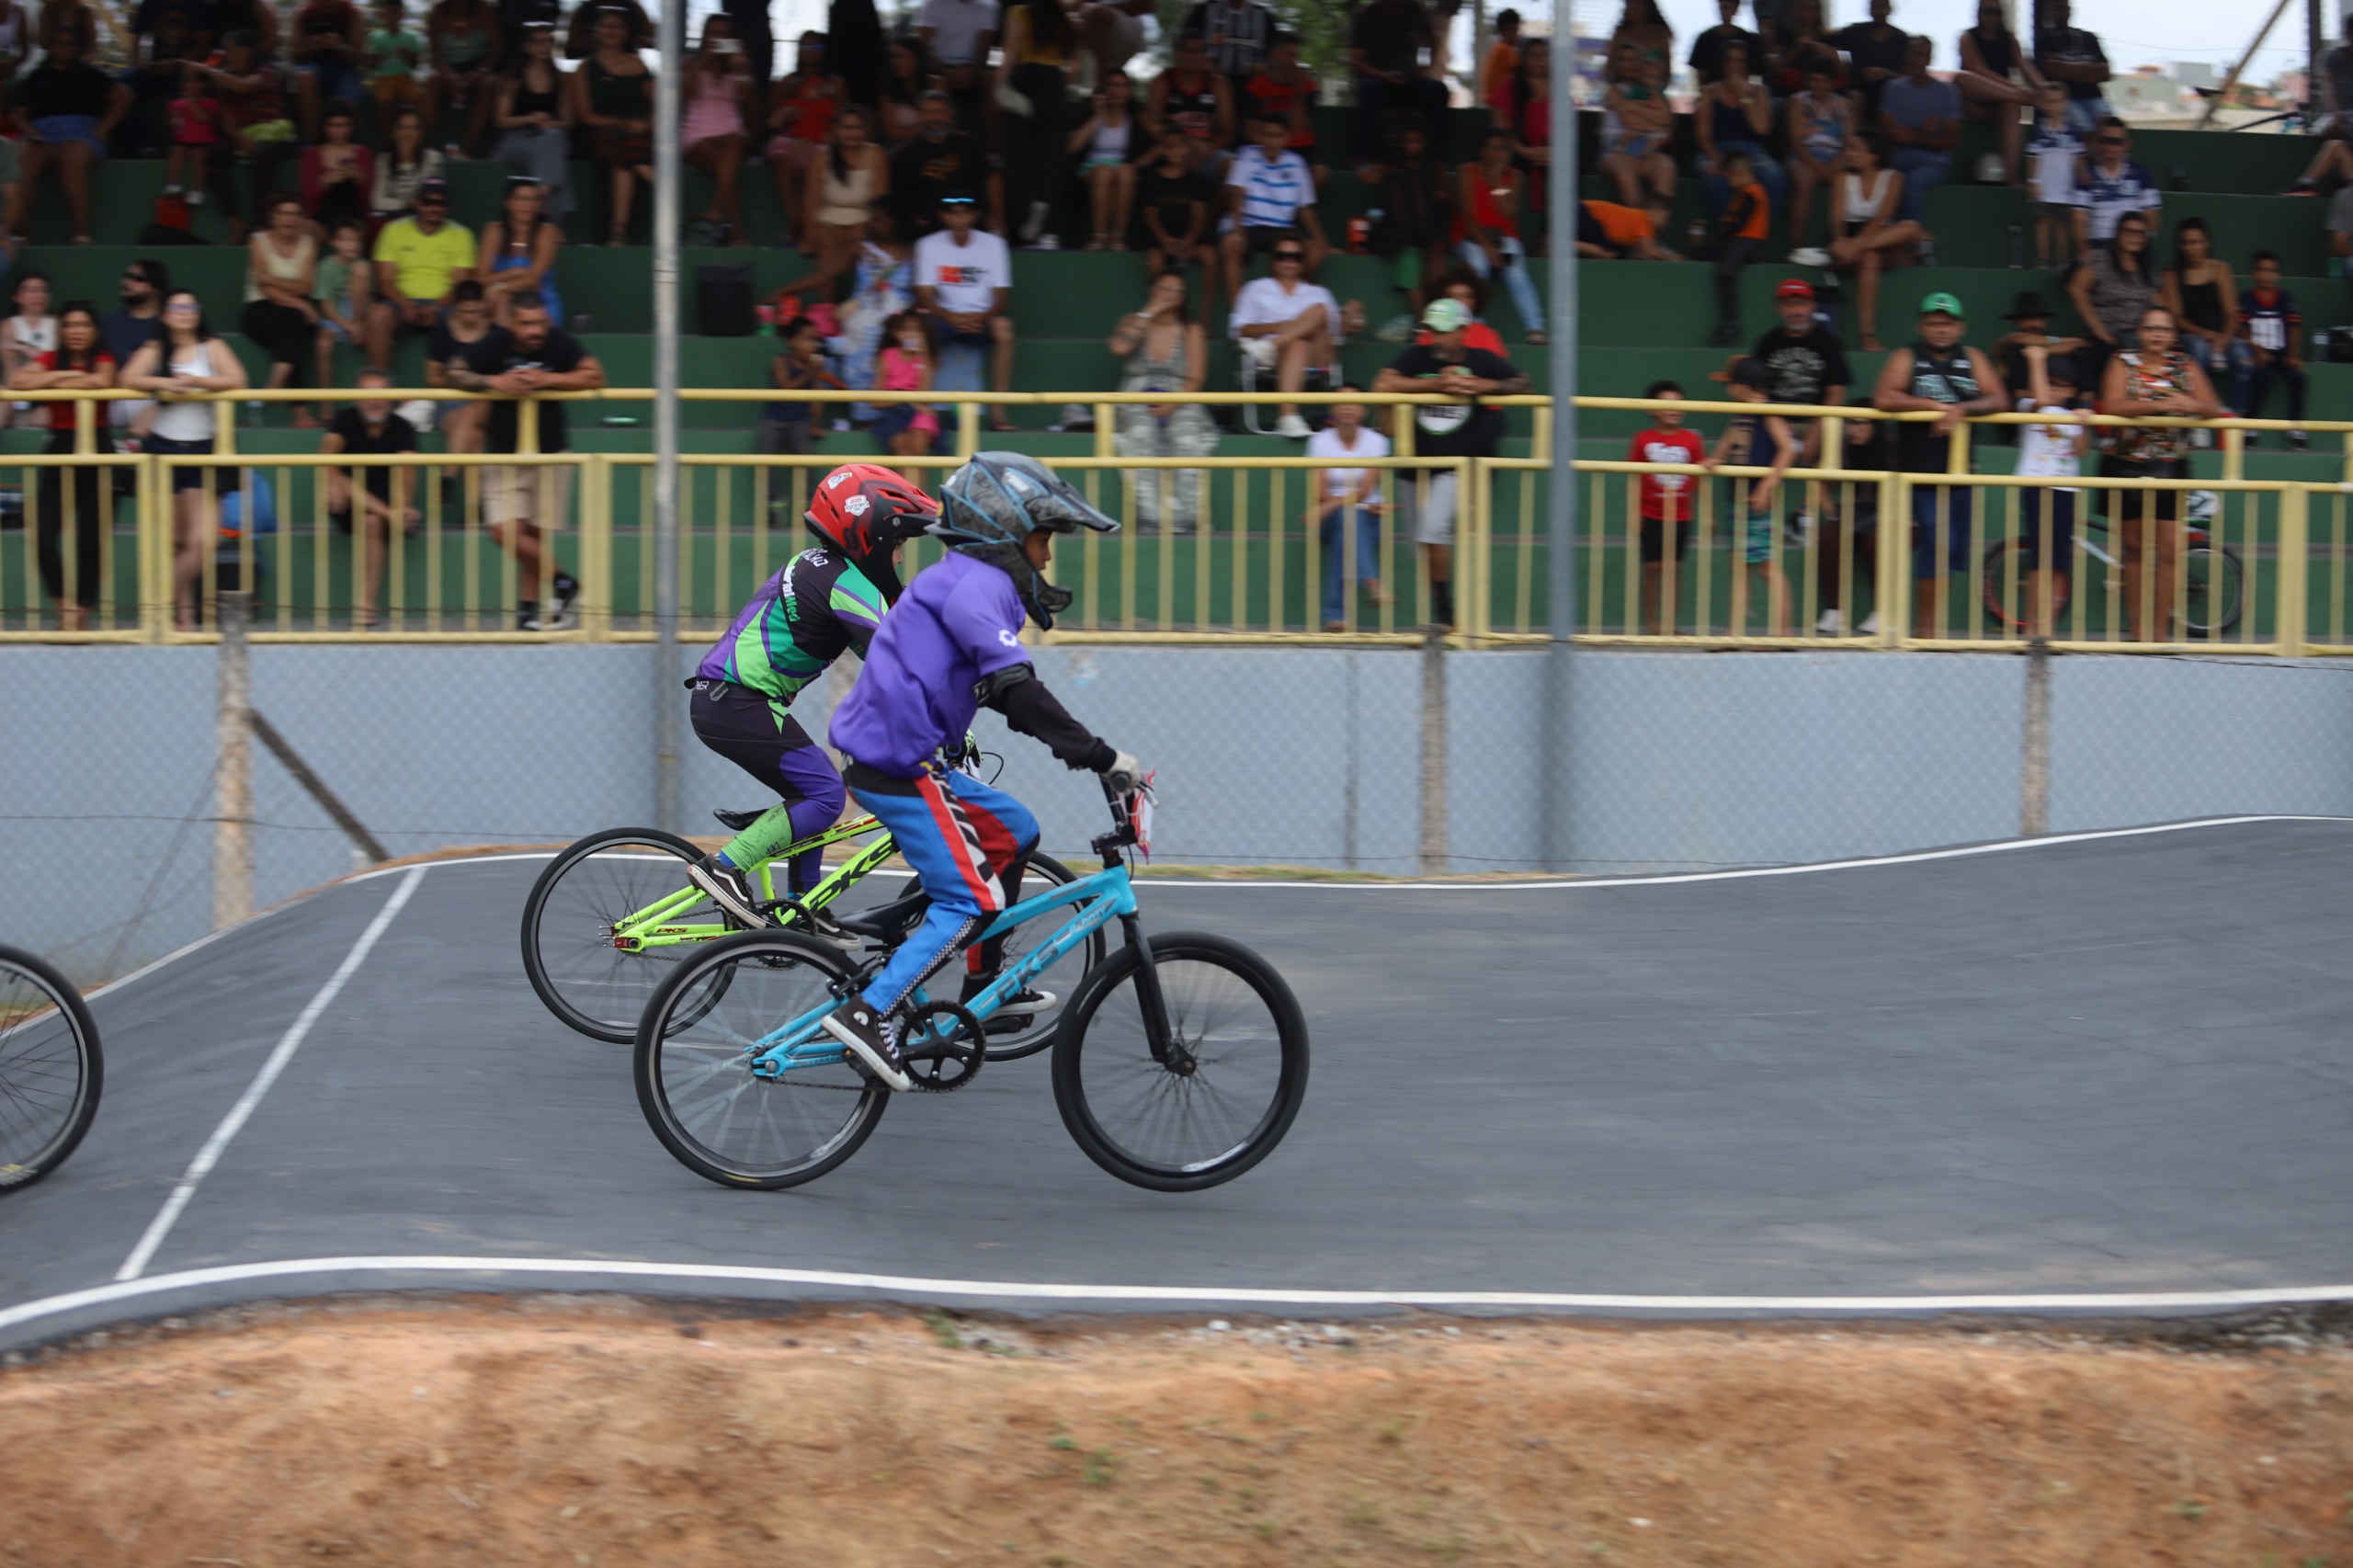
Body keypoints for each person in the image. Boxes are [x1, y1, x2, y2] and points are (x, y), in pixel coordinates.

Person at [819, 451, 1139, 1087]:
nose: (1047, 557)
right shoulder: (974, 585)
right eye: (1043, 537)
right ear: (1003, 530)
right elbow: (1017, 691)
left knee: (1013, 829)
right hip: (897, 765)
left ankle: (985, 984)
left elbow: (1001, 693)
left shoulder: (968, 583)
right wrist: (1101, 756)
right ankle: (869, 1012)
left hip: (902, 757)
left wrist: (1079, 749)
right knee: (974, 898)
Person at [686, 464, 943, 939]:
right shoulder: (845, 583)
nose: (902, 559)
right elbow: (900, 660)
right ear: (874, 537)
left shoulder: (820, 566)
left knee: (815, 790)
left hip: (727, 700)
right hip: (739, 702)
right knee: (826, 794)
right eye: (900, 545)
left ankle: (802, 909)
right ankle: (723, 868)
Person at [445, 291, 604, 630]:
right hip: (504, 452)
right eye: (527, 324)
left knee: (534, 534)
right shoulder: (494, 344)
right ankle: (565, 584)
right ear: (511, 323)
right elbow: (453, 372)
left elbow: (594, 376)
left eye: (541, 323)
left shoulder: (558, 343)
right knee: (503, 531)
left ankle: (526, 615)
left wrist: (549, 379)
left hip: (550, 451)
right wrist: (494, 382)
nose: (536, 331)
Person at [1371, 296, 1529, 629]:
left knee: (1433, 531)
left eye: (1444, 332)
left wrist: (1480, 386)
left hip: (1461, 464)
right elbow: (1383, 383)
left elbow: (1523, 383)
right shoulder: (1417, 355)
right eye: (1432, 331)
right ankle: (1442, 610)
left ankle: (1445, 613)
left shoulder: (1483, 358)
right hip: (1416, 465)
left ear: (1463, 331)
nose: (1437, 339)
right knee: (1422, 544)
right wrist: (1436, 384)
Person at [1870, 291, 2006, 640]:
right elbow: (1884, 397)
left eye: (1947, 323)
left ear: (1960, 328)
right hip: (1920, 470)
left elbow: (1998, 398)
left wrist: (1961, 409)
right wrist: (1930, 405)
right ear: (1921, 326)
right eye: (1933, 323)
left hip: (1960, 471)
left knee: (1954, 552)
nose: (1941, 330)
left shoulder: (1971, 356)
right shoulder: (1907, 356)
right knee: (1938, 540)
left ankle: (1932, 627)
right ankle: (1926, 633)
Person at [121, 289, 248, 631]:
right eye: (176, 306)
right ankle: (185, 618)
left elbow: (237, 379)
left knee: (203, 540)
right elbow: (128, 378)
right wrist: (165, 384)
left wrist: (197, 383)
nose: (184, 311)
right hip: (164, 451)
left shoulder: (212, 346)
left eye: (191, 306)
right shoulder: (155, 348)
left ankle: (157, 601)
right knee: (177, 541)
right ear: (164, 314)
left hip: (205, 450)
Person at [2098, 305, 2225, 641]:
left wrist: (2191, 405)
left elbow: (2212, 407)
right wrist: (2163, 404)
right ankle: (2138, 632)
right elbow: (2111, 405)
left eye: (2165, 329)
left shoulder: (2185, 365)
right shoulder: (2122, 362)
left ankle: (2159, 633)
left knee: (2169, 550)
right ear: (2140, 332)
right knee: (2135, 550)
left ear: (2173, 335)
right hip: (2127, 466)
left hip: (2171, 466)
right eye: (2151, 328)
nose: (2157, 334)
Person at [12, 300, 114, 631]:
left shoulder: (104, 356)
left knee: (91, 540)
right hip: (60, 446)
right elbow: (19, 382)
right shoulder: (51, 357)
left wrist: (51, 380)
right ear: (61, 330)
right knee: (42, 535)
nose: (76, 332)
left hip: (98, 446)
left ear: (95, 330)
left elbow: (101, 382)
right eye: (69, 325)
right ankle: (62, 608)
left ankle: (81, 615)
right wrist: (68, 374)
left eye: (83, 325)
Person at [1108, 268, 1214, 535]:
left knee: (1187, 439)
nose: (1169, 294)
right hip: (1136, 395)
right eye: (1162, 288)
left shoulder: (1191, 329)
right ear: (1152, 291)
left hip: (1181, 397)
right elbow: (1119, 348)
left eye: (1176, 290)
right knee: (1141, 435)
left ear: (1184, 297)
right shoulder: (1132, 320)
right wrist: (1149, 311)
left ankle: (1188, 519)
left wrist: (1173, 404)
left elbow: (1197, 378)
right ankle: (1149, 519)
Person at [322, 368, 420, 627]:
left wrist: (404, 505)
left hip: (390, 501)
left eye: (381, 394)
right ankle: (392, 516)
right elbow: (327, 454)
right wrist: (331, 480)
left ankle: (366, 603)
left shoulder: (402, 426)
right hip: (346, 501)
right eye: (367, 394)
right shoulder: (345, 419)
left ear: (391, 399)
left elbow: (408, 470)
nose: (374, 401)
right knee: (341, 478)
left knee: (373, 521)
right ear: (356, 398)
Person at [10, 30, 127, 244]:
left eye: (69, 44)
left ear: (77, 48)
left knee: (72, 162)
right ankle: (21, 235)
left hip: (81, 133)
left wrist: (102, 130)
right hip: (42, 133)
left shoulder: (89, 74)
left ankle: (80, 234)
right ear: (51, 46)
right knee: (22, 164)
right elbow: (19, 112)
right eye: (59, 43)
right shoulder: (37, 76)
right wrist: (30, 132)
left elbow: (123, 96)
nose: (64, 48)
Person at [1710, 358, 1799, 636]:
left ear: (1744, 387)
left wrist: (1766, 486)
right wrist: (1715, 459)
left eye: (1730, 384)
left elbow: (1788, 448)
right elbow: (1728, 440)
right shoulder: (1741, 412)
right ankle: (1733, 633)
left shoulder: (1767, 411)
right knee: (1740, 567)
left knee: (1767, 568)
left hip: (1757, 501)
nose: (1727, 390)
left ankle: (1783, 634)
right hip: (1737, 499)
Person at [913, 193, 1017, 429]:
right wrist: (951, 317)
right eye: (953, 213)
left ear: (974, 215)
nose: (959, 219)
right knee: (921, 329)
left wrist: (978, 317)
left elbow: (1002, 298)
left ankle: (998, 412)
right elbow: (924, 296)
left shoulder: (993, 244)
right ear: (943, 216)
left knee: (1005, 330)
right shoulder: (928, 244)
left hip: (981, 318)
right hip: (944, 316)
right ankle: (924, 408)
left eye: (965, 213)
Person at [2011, 344, 2088, 637]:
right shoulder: (2028, 406)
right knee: (2041, 560)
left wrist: (2083, 424)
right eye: (2050, 382)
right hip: (2037, 486)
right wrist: (2036, 359)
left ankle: (2048, 626)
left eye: (2061, 385)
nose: (2054, 390)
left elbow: (2081, 451)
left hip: (2065, 489)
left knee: (2058, 562)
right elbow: (2041, 399)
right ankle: (2032, 627)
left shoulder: (2071, 416)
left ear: (2071, 389)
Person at [1230, 233, 1339, 439]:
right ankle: (1288, 416)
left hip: (1318, 354)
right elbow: (1240, 329)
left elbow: (1335, 332)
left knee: (1319, 311)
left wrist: (1352, 317)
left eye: (1296, 256)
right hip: (1278, 358)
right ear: (1273, 260)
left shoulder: (1318, 292)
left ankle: (1269, 345)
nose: (1289, 261)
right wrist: (1280, 326)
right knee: (1298, 344)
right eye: (1283, 256)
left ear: (1302, 262)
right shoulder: (1255, 288)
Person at [198, 28, 301, 246]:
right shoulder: (224, 78)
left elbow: (245, 86)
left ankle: (260, 224)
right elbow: (226, 116)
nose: (229, 54)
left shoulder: (266, 71)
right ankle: (234, 222)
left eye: (234, 50)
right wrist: (236, 137)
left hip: (277, 137)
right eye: (226, 50)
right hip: (242, 138)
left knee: (261, 157)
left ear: (248, 51)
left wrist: (209, 71)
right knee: (214, 156)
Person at [367, 175, 472, 372]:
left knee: (469, 313)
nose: (435, 208)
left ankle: (456, 389)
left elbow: (461, 285)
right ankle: (379, 387)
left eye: (441, 203)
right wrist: (404, 303)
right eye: (428, 202)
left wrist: (435, 307)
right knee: (378, 314)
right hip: (401, 302)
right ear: (417, 203)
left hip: (444, 305)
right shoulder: (393, 230)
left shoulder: (461, 234)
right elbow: (385, 280)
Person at [1751, 277, 1850, 483]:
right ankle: (1757, 504)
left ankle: (1808, 510)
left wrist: (1816, 430)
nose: (1796, 311)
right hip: (1775, 420)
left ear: (1813, 306)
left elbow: (1837, 392)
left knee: (1837, 434)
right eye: (1789, 304)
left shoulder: (1828, 342)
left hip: (1812, 419)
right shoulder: (1767, 342)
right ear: (1778, 307)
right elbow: (1756, 390)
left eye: (1802, 304)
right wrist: (1776, 423)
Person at [1626, 380, 1707, 634]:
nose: (1674, 409)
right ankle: (1652, 622)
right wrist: (1632, 512)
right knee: (1652, 567)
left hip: (1681, 514)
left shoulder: (1692, 439)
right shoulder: (1642, 439)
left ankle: (1671, 623)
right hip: (1650, 513)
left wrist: (1709, 514)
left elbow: (1699, 479)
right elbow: (1633, 477)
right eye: (1666, 404)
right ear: (1652, 409)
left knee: (1674, 569)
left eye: (1678, 404)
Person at [1828, 136, 1923, 352]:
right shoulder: (1842, 177)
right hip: (1846, 245)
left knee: (1912, 229)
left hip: (1878, 239)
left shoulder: (1894, 178)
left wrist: (1857, 246)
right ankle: (1867, 337)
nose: (1849, 153)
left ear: (1874, 156)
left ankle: (1870, 251)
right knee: (1871, 257)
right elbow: (1836, 219)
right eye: (1848, 148)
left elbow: (1883, 217)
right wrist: (1842, 242)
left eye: (1856, 149)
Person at [1310, 384, 1391, 629]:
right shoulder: (1319, 441)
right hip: (1332, 518)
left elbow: (1365, 490)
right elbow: (1319, 491)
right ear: (1332, 408)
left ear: (1364, 409)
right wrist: (1330, 507)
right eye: (1342, 402)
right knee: (1346, 518)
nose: (1348, 407)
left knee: (1343, 536)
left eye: (1355, 402)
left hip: (1369, 519)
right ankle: (1372, 582)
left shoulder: (1377, 441)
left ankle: (1335, 615)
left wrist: (1329, 506)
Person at [1222, 111, 1323, 302]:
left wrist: (1321, 240)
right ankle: (1240, 319)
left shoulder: (1297, 163)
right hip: (1248, 225)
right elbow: (1236, 196)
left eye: (1276, 135)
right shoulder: (1247, 155)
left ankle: (1290, 306)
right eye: (1266, 134)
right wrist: (1237, 231)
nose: (1270, 140)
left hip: (1281, 231)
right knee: (1232, 246)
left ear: (1287, 138)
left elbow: (1305, 208)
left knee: (1316, 250)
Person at [1454, 128, 1543, 343]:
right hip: (1472, 238)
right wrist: (1488, 248)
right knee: (1477, 267)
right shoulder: (1468, 171)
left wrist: (1496, 182)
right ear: (1480, 151)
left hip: (1503, 238)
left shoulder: (1514, 176)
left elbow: (1509, 212)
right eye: (1492, 148)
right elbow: (1467, 214)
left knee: (1516, 273)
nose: (1497, 153)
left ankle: (1535, 328)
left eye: (1501, 149)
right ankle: (1473, 324)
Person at [574, 4, 653, 245]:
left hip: (636, 137)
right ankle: (657, 179)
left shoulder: (638, 65)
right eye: (605, 25)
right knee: (621, 142)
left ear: (627, 32)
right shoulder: (585, 68)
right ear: (595, 30)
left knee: (624, 158)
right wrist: (622, 123)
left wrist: (645, 125)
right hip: (599, 134)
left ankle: (617, 233)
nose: (611, 31)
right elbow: (586, 115)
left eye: (617, 26)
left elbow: (660, 106)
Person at [241, 194, 322, 427]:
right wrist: (302, 303)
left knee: (292, 325)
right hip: (258, 310)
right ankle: (300, 413)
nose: (291, 219)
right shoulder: (257, 241)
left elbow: (306, 285)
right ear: (273, 217)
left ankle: (274, 385)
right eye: (284, 213)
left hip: (291, 314)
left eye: (296, 214)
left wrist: (273, 279)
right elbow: (265, 289)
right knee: (294, 324)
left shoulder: (309, 244)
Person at [1000, 0, 1075, 248]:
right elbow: (1073, 66)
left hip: (1027, 82)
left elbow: (1010, 53)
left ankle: (1025, 227)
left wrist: (1000, 86)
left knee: (1018, 159)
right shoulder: (1064, 19)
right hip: (1055, 86)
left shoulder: (1020, 12)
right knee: (1051, 161)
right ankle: (1048, 231)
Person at [1695, 40, 1786, 240]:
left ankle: (1753, 236)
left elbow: (1762, 128)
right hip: (1717, 149)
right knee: (1715, 177)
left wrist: (1744, 95)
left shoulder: (1759, 91)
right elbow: (1703, 137)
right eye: (1731, 60)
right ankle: (1728, 237)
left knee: (1774, 175)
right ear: (1724, 63)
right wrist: (1719, 160)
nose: (1736, 66)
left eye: (1741, 61)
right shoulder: (1710, 91)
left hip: (1752, 151)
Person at [799, 103, 890, 301]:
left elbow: (880, 201)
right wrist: (810, 236)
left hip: (864, 220)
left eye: (857, 127)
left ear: (865, 130)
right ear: (837, 129)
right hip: (828, 219)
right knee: (828, 245)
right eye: (847, 127)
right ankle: (826, 309)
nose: (852, 133)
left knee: (856, 242)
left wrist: (872, 230)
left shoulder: (876, 155)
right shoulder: (822, 156)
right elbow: (812, 199)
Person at [766, 31, 846, 246]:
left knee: (817, 159)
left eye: (817, 48)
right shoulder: (787, 82)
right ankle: (798, 222)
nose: (811, 53)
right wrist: (789, 114)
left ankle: (800, 228)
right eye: (806, 47)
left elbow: (843, 117)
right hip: (792, 137)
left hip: (823, 139)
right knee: (782, 157)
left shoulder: (835, 83)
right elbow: (772, 121)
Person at [682, 11, 754, 243]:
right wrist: (704, 61)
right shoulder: (691, 63)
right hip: (697, 133)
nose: (719, 38)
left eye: (724, 34)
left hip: (733, 131)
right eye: (714, 33)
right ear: (704, 36)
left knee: (732, 145)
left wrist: (740, 69)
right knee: (728, 168)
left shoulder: (740, 64)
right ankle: (737, 234)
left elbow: (753, 103)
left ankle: (715, 212)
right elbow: (685, 94)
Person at [2160, 217, 2245, 411]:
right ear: (2180, 245)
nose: (2192, 247)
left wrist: (2223, 338)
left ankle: (2240, 417)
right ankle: (2201, 411)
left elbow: (2231, 312)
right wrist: (2205, 335)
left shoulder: (2220, 269)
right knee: (2198, 348)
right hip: (2190, 335)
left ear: (2207, 243)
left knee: (2242, 354)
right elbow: (2177, 317)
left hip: (2222, 335)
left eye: (2197, 241)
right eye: (2186, 242)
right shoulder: (2171, 273)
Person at [2065, 208, 2156, 390]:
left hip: (2141, 335)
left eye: (2140, 233)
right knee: (2104, 353)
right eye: (2129, 231)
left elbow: (2159, 303)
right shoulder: (2102, 260)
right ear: (2118, 233)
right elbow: (2075, 288)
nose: (2135, 237)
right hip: (2108, 335)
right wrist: (2098, 329)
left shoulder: (2148, 268)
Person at [1954, 0, 2040, 185]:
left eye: (1995, 12)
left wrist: (2044, 90)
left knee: (2013, 106)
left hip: (2000, 106)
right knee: (1962, 78)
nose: (1991, 16)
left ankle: (2010, 176)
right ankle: (2021, 97)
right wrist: (2020, 92)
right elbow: (1978, 69)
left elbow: (2025, 66)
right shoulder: (1967, 37)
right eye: (1987, 11)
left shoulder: (2010, 40)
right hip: (1973, 103)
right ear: (1978, 14)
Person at [1347, 0, 1444, 165]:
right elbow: (1356, 62)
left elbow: (1433, 40)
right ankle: (1365, 158)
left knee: (1438, 90)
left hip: (1411, 81)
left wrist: (1426, 68)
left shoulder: (1414, 10)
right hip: (1380, 83)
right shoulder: (1366, 16)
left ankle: (1435, 157)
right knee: (1367, 89)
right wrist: (1381, 75)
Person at [492, 21, 571, 220]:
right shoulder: (514, 78)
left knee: (554, 138)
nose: (544, 46)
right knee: (554, 156)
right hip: (516, 139)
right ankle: (553, 222)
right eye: (538, 42)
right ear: (526, 46)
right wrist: (530, 119)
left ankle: (541, 197)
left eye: (548, 41)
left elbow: (569, 122)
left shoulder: (559, 79)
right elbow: (501, 120)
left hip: (547, 137)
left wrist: (549, 123)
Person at [890, 87, 995, 236]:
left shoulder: (969, 145)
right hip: (926, 230)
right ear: (918, 115)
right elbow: (897, 199)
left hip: (970, 225)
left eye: (940, 111)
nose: (934, 118)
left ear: (951, 114)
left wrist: (996, 216)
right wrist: (911, 219)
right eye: (928, 112)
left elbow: (991, 179)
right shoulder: (905, 155)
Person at [1877, 35, 1957, 225]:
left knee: (1913, 181)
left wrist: (1910, 136)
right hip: (1897, 158)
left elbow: (1953, 141)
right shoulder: (1893, 88)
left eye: (1923, 55)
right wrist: (1922, 131)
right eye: (1915, 54)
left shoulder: (1946, 92)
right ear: (1907, 56)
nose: (1918, 59)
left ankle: (1911, 244)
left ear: (1929, 59)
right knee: (1889, 179)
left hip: (1934, 162)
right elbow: (1885, 131)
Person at [1597, 42, 1673, 233]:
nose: (1627, 64)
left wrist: (1631, 109)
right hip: (1615, 149)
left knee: (1666, 167)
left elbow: (1665, 121)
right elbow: (1631, 122)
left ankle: (1651, 236)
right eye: (1622, 59)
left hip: (1646, 147)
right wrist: (1650, 119)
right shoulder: (1613, 91)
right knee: (1625, 173)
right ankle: (1641, 237)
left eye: (1632, 59)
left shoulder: (1653, 91)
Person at [2236, 251, 2307, 449]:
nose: (2266, 275)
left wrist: (2293, 355)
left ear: (2278, 275)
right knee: (2263, 376)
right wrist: (2257, 351)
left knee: (2297, 377)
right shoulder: (2246, 297)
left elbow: (2294, 327)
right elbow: (2241, 328)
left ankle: (2297, 428)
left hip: (2282, 352)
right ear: (2253, 273)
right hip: (2257, 353)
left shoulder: (2285, 298)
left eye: (2271, 271)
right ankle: (2251, 427)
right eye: (2262, 270)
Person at [1699, 150, 1770, 346]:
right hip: (1736, 240)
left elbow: (1739, 224)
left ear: (1737, 174)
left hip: (1747, 240)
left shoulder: (1753, 193)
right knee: (1703, 251)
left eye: (1728, 178)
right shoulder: (1741, 194)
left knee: (1725, 272)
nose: (1727, 182)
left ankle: (1731, 322)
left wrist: (1721, 234)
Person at [1142, 28, 1233, 176]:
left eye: (1198, 51)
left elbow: (1228, 131)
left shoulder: (1218, 84)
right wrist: (1181, 145)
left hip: (1207, 150)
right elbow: (1154, 126)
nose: (1193, 56)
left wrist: (1205, 152)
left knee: (1233, 168)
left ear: (1204, 55)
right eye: (1188, 50)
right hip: (1171, 150)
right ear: (1178, 53)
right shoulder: (1163, 81)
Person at [1784, 60, 1851, 256]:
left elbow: (1850, 141)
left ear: (1832, 83)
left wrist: (1833, 166)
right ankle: (1795, 249)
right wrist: (1817, 167)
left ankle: (1839, 247)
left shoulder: (1844, 104)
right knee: (1803, 183)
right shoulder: (1797, 101)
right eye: (1814, 80)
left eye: (1823, 81)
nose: (1818, 85)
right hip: (1805, 155)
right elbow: (1795, 142)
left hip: (1837, 156)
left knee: (1845, 184)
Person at [479, 175, 563, 326]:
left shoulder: (547, 232)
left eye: (534, 200)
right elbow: (481, 277)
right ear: (508, 202)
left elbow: (533, 280)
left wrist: (500, 287)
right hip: (497, 301)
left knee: (503, 298)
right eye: (522, 199)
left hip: (539, 301)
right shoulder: (494, 230)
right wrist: (513, 273)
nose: (529, 205)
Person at [1069, 66, 1136, 252]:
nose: (1116, 90)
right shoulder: (1090, 112)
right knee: (1104, 172)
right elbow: (1073, 146)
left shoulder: (1134, 118)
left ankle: (1117, 238)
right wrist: (1098, 115)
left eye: (1121, 86)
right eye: (1112, 85)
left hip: (1121, 167)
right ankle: (1099, 237)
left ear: (1128, 91)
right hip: (1092, 166)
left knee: (1126, 172)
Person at [1241, 30, 1318, 186]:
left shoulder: (1308, 86)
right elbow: (1250, 130)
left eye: (1294, 56)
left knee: (1319, 174)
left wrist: (1297, 90)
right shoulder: (1257, 86)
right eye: (1286, 54)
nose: (1291, 61)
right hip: (1266, 146)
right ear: (1273, 54)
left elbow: (1298, 129)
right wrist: (1273, 145)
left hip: (1300, 147)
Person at [1136, 121, 1213, 277]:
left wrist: (1188, 241)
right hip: (1160, 240)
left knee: (1209, 256)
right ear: (1162, 149)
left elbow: (1199, 216)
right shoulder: (1152, 179)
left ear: (1186, 148)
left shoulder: (1196, 179)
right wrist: (1164, 240)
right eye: (1168, 146)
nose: (1174, 150)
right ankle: (1158, 298)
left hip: (1189, 240)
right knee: (1155, 259)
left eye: (1178, 145)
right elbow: (1150, 215)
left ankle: (1207, 302)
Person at [2074, 116, 2157, 258]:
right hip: (2097, 250)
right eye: (2105, 140)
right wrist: (2085, 249)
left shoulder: (2141, 174)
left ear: (2126, 145)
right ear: (2096, 141)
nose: (2109, 147)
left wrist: (2138, 246)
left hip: (2131, 251)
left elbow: (2152, 218)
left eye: (2116, 142)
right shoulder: (2086, 175)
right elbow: (2078, 217)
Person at [426, 0, 500, 153]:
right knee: (432, 81)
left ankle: (465, 149)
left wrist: (481, 70)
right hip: (448, 70)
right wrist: (449, 75)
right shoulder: (438, 11)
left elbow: (497, 48)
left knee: (489, 84)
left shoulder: (484, 10)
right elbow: (434, 55)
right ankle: (423, 143)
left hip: (477, 68)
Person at [430, 278, 496, 450]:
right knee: (475, 435)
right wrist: (456, 380)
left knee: (470, 413)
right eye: (465, 312)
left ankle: (446, 477)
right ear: (455, 307)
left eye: (476, 311)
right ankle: (457, 478)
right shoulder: (443, 331)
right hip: (452, 401)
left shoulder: (496, 333)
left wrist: (472, 380)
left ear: (484, 306)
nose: (471, 317)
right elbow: (432, 377)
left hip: (487, 401)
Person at [313, 216, 373, 402]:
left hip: (360, 314)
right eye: (345, 240)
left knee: (359, 272)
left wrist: (360, 324)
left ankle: (371, 395)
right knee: (323, 346)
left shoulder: (364, 266)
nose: (351, 245)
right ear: (334, 242)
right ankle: (326, 401)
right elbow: (326, 305)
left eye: (355, 240)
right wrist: (348, 326)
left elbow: (369, 299)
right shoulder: (326, 266)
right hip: (335, 317)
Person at [2024, 83, 2083, 271]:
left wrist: (2082, 177)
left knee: (2062, 225)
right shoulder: (2038, 130)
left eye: (2057, 102)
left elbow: (2078, 159)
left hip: (2066, 188)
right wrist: (2033, 182)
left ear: (2065, 104)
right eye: (2049, 101)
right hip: (2044, 187)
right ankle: (2043, 259)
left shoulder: (2073, 131)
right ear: (2042, 104)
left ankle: (2062, 261)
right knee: (2043, 222)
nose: (2053, 106)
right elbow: (2032, 158)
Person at [914, 0, 995, 133]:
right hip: (939, 68)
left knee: (991, 79)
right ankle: (950, 139)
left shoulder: (989, 6)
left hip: (973, 69)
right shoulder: (933, 4)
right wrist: (945, 72)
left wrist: (973, 72)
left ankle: (993, 146)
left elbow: (984, 48)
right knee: (939, 82)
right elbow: (923, 48)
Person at [758, 312, 833, 454]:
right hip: (774, 417)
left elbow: (817, 398)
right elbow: (786, 386)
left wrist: (816, 424)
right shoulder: (780, 361)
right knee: (764, 452)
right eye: (807, 340)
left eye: (815, 340)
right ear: (791, 342)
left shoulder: (814, 368)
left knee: (805, 453)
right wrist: (810, 373)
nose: (813, 345)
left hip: (800, 419)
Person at [2031, 0, 2110, 132]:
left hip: (2093, 97)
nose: (2060, 13)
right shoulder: (2045, 38)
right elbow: (2049, 69)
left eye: (2063, 8)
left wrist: (2066, 68)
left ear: (2069, 11)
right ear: (2051, 13)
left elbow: (2105, 72)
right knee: (2084, 127)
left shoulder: (2089, 38)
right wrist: (2089, 69)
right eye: (2057, 9)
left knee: (2108, 126)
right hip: (2065, 99)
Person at [870, 312, 938, 460]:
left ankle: (918, 485)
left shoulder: (926, 358)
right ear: (896, 333)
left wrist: (924, 358)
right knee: (902, 448)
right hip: (892, 413)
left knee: (918, 448)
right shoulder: (886, 356)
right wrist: (906, 400)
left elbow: (924, 398)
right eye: (906, 329)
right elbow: (875, 402)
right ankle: (906, 485)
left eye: (918, 330)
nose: (913, 334)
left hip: (918, 412)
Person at [292, 0, 366, 138]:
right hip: (313, 64)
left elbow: (358, 57)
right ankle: (312, 144)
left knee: (348, 95)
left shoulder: (353, 13)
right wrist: (310, 47)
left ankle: (347, 143)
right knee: (305, 77)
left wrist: (340, 47)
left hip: (344, 68)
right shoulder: (303, 13)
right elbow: (295, 56)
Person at [300, 98, 374, 230]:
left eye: (345, 125)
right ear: (324, 126)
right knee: (305, 228)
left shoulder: (364, 153)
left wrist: (360, 179)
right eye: (334, 126)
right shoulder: (311, 154)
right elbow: (307, 198)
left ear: (352, 127)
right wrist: (324, 182)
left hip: (354, 218)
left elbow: (370, 200)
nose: (340, 131)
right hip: (321, 218)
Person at [369, 101, 445, 221]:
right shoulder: (383, 159)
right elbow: (377, 202)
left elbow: (427, 199)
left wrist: (408, 154)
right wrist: (406, 204)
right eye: (404, 127)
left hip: (421, 220)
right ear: (393, 131)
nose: (410, 133)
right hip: (390, 220)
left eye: (415, 128)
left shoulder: (433, 158)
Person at [1830, 0, 1906, 118]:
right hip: (1858, 89)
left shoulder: (1901, 39)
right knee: (1855, 96)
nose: (1879, 11)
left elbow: (1907, 75)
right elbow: (1830, 41)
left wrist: (1885, 74)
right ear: (1870, 10)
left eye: (1882, 7)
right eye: (1875, 7)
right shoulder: (1855, 32)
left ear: (1889, 10)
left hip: (1889, 92)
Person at [0, 271, 55, 430]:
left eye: (43, 290)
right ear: (17, 296)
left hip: (45, 392)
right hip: (12, 394)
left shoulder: (58, 324)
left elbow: (55, 360)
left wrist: (23, 348)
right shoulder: (7, 325)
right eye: (31, 290)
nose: (39, 295)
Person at [164, 61, 221, 206]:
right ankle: (173, 184)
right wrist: (173, 117)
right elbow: (172, 126)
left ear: (204, 85)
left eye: (193, 81)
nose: (188, 85)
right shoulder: (176, 104)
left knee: (200, 156)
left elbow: (205, 118)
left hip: (203, 145)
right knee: (176, 151)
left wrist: (192, 103)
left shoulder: (210, 103)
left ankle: (197, 191)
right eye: (185, 81)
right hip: (183, 143)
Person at [1179, 0, 1274, 84]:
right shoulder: (1205, 10)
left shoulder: (1262, 15)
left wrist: (1265, 66)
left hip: (1251, 84)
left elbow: (1275, 50)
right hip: (1209, 81)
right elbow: (1185, 41)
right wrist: (1203, 60)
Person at [365, 0, 428, 119]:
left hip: (405, 77)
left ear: (401, 16)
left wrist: (407, 55)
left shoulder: (410, 37)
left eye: (395, 13)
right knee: (382, 101)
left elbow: (415, 64)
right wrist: (376, 59)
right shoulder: (376, 37)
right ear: (383, 15)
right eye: (388, 13)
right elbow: (371, 65)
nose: (392, 17)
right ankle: (384, 135)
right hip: (383, 77)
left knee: (417, 98)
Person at [878, 37, 936, 146]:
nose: (897, 62)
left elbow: (949, 119)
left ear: (917, 58)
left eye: (903, 57)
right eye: (894, 57)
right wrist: (928, 126)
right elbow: (893, 133)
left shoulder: (936, 83)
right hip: (903, 149)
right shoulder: (887, 91)